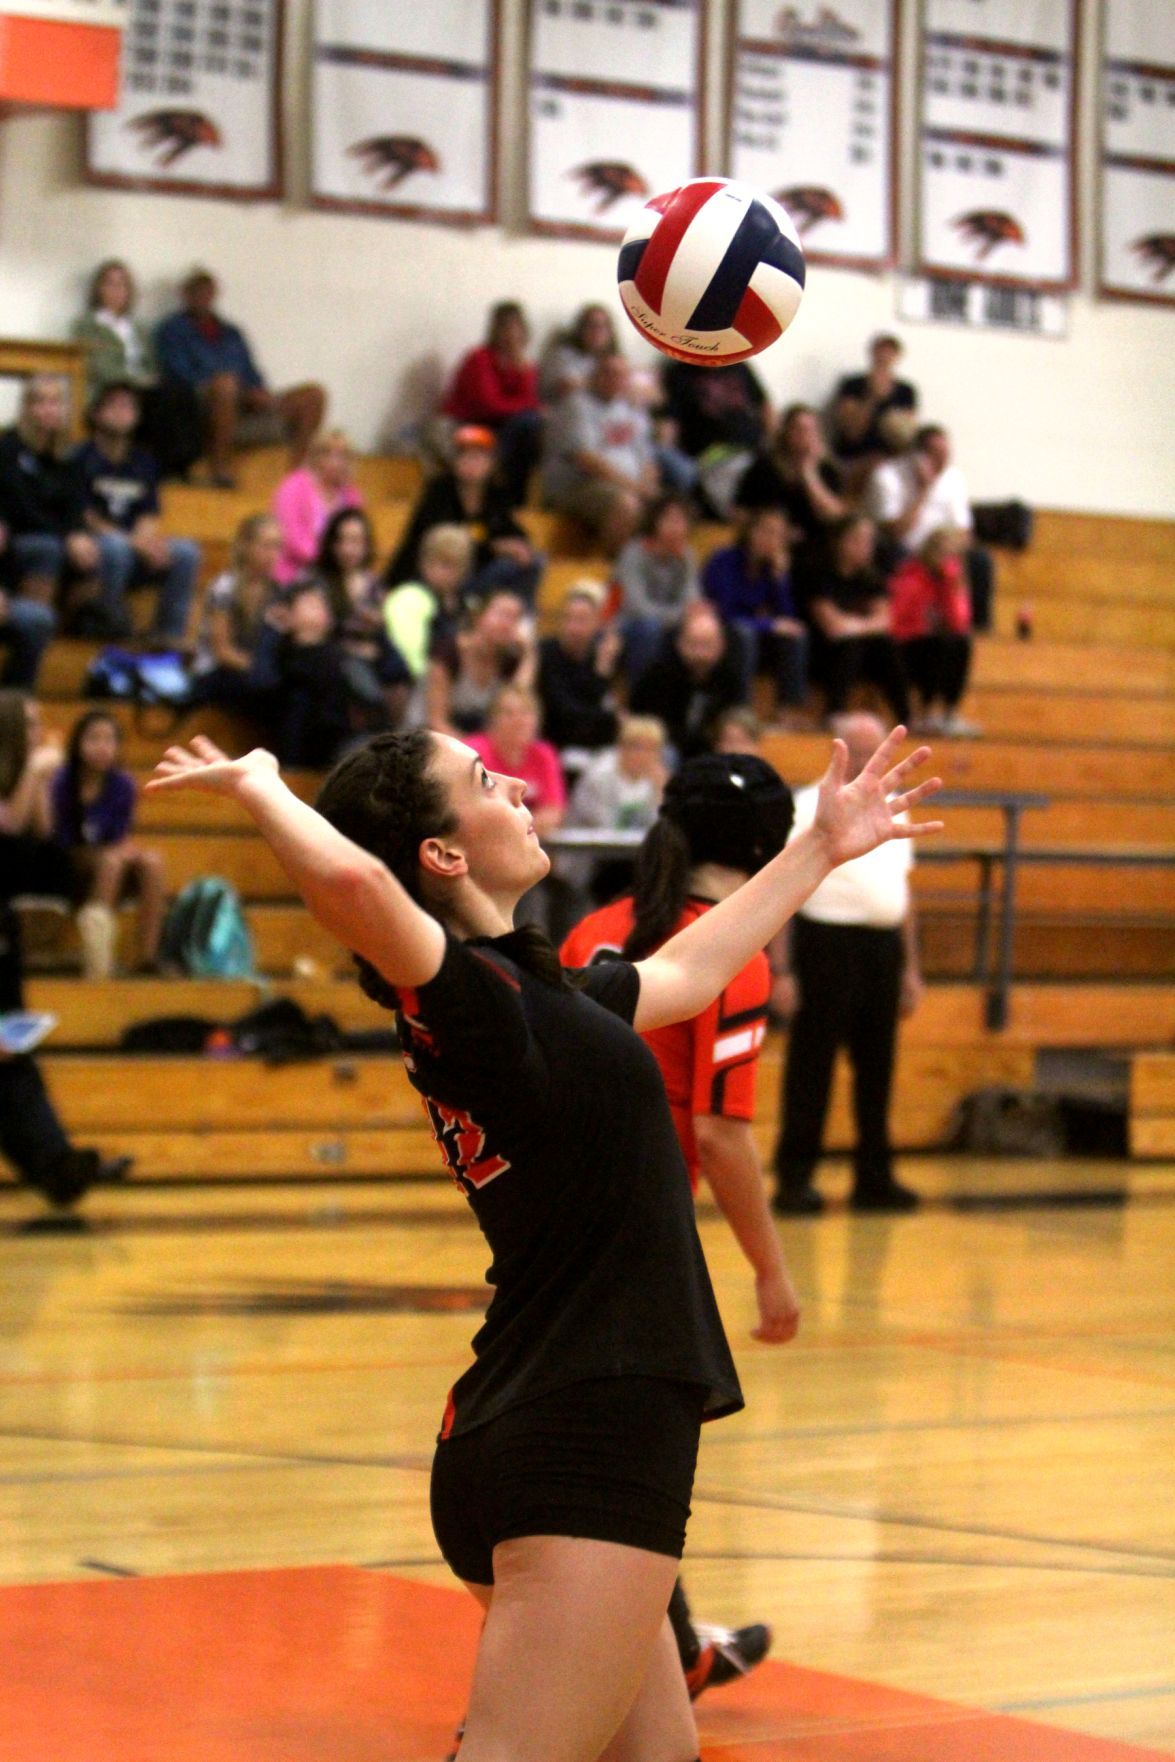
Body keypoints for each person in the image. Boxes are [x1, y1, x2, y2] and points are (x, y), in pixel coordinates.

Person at [143, 715, 940, 1762]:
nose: (518, 782)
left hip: (534, 1418)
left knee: (659, 1756)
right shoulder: (471, 1004)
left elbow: (687, 973)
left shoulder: (539, 993)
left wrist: (819, 847)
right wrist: (262, 787)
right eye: (481, 776)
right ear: (441, 854)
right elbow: (357, 894)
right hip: (586, 1430)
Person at [560, 752, 803, 1701]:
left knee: (602, 1440)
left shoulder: (593, 928)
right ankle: (616, 1670)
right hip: (636, 1233)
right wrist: (770, 1271)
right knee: (632, 1464)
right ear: (766, 848)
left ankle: (675, 1648)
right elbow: (719, 1131)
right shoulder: (729, 952)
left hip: (556, 1217)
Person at [772, 713, 926, 1216]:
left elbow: (903, 894)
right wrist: (783, 969)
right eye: (856, 748)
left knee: (878, 1067)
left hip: (883, 949)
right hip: (824, 945)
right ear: (837, 749)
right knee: (811, 1066)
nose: (865, 757)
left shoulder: (890, 806)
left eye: (871, 747)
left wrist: (911, 968)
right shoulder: (806, 806)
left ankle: (874, 1177)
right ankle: (795, 1179)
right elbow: (784, 890)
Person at [155, 269, 325, 488]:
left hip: (245, 404)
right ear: (185, 295)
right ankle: (220, 470)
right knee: (225, 385)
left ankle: (295, 477)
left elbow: (251, 371)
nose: (204, 297)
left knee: (313, 395)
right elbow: (179, 375)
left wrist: (259, 392)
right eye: (197, 291)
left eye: (209, 292)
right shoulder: (171, 330)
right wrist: (236, 390)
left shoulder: (231, 332)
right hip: (202, 405)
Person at [75, 381, 201, 642]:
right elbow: (84, 514)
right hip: (96, 546)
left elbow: (149, 512)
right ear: (96, 413)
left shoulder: (144, 462)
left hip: (132, 544)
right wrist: (134, 542)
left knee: (186, 552)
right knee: (114, 546)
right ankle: (105, 625)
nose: (122, 412)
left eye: (129, 406)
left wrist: (145, 541)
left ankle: (167, 636)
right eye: (114, 405)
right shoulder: (80, 457)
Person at [50, 710, 167, 978]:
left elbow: (119, 835)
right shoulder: (62, 781)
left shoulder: (123, 784)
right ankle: (97, 955)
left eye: (109, 740)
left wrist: (125, 852)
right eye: (94, 739)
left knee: (152, 861)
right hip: (66, 861)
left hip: (109, 854)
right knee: (112, 861)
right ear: (77, 743)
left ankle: (148, 958)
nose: (102, 747)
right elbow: (59, 837)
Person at [0, 375, 117, 636]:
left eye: (55, 402)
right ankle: (36, 629)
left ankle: (76, 630)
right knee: (48, 549)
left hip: (56, 534)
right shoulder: (8, 449)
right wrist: (66, 537)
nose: (48, 409)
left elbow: (76, 504)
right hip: (20, 536)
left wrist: (78, 534)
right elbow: (20, 509)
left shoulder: (69, 455)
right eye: (40, 402)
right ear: (26, 408)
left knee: (100, 550)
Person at [73, 258, 201, 479]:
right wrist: (137, 381)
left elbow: (151, 365)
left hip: (145, 387)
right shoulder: (87, 325)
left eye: (122, 285)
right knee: (158, 399)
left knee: (182, 392)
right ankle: (160, 470)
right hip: (111, 388)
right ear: (98, 289)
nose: (116, 291)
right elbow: (100, 367)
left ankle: (182, 465)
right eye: (110, 284)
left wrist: (149, 380)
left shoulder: (138, 329)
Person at [386, 425, 541, 604]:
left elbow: (509, 527)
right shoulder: (439, 491)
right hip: (433, 573)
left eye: (477, 457)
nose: (470, 463)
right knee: (503, 567)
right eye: (464, 456)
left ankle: (522, 618)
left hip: (473, 571)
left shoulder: (494, 495)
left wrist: (520, 544)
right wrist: (493, 546)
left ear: (491, 463)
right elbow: (445, 539)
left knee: (534, 560)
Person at [866, 423, 993, 629]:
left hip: (943, 549)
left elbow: (964, 530)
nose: (942, 461)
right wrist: (923, 490)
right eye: (936, 454)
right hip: (906, 548)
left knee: (979, 560)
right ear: (917, 455)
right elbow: (894, 532)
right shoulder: (887, 477)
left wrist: (945, 546)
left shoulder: (954, 478)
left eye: (946, 454)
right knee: (895, 555)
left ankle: (977, 628)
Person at [541, 353, 659, 556]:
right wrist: (636, 488)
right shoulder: (576, 405)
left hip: (629, 487)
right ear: (595, 376)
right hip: (579, 486)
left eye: (620, 375)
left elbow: (647, 459)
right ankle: (613, 572)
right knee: (627, 505)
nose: (613, 379)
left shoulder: (632, 409)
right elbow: (586, 460)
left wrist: (649, 487)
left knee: (672, 511)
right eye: (607, 373)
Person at [801, 515, 909, 726]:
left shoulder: (871, 577)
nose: (864, 547)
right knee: (853, 645)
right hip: (821, 652)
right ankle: (833, 711)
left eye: (868, 541)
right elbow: (831, 627)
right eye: (857, 539)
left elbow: (885, 621)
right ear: (839, 541)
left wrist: (853, 626)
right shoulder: (819, 574)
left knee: (885, 645)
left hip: (859, 646)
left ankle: (906, 717)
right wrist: (864, 626)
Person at [702, 505, 808, 715]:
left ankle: (788, 710)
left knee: (796, 635)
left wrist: (780, 579)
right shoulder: (724, 560)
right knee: (743, 634)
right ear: (750, 531)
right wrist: (768, 623)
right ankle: (742, 708)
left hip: (755, 632)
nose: (771, 539)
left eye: (778, 535)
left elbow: (787, 620)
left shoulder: (772, 568)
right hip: (720, 631)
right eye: (766, 530)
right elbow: (725, 612)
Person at [441, 302, 542, 505]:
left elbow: (533, 401)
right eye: (505, 327)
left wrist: (522, 372)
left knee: (532, 426)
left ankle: (516, 498)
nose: (511, 333)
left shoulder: (525, 365)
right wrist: (525, 406)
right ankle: (496, 477)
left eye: (516, 327)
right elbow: (488, 405)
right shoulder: (479, 359)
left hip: (506, 428)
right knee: (526, 421)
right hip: (471, 424)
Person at [189, 512, 286, 718]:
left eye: (277, 547)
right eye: (266, 546)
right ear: (246, 546)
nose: (272, 554)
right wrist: (262, 670)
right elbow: (222, 651)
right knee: (272, 689)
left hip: (253, 671)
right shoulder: (225, 587)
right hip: (215, 673)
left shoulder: (278, 591)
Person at [888, 527, 977, 736]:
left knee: (961, 643)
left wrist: (949, 587)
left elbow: (959, 623)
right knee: (938, 644)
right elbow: (900, 620)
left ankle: (949, 711)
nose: (944, 558)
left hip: (936, 644)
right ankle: (926, 711)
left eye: (950, 554)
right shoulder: (911, 576)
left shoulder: (952, 581)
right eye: (940, 551)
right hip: (908, 645)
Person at [733, 404, 846, 568]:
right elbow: (739, 512)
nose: (805, 436)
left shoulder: (826, 470)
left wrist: (809, 473)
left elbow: (835, 517)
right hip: (768, 545)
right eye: (799, 429)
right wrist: (777, 534)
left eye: (810, 430)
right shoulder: (764, 467)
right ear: (786, 432)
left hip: (815, 550)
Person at [630, 601, 746, 760]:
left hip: (710, 753)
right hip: (665, 751)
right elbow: (647, 722)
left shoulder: (730, 679)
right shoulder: (658, 675)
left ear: (721, 646)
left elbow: (732, 722)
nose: (700, 654)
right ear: (680, 644)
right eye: (694, 644)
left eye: (706, 645)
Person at [613, 494, 701, 684]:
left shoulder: (687, 556)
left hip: (665, 624)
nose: (676, 526)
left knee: (700, 630)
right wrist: (678, 616)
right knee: (649, 628)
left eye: (681, 520)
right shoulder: (634, 553)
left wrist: (684, 617)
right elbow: (636, 607)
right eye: (670, 519)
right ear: (655, 521)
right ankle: (639, 696)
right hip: (625, 624)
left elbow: (692, 601)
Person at [425, 589, 536, 737]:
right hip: (430, 738)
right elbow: (436, 721)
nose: (507, 624)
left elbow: (519, 702)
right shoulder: (448, 652)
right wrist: (475, 753)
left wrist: (528, 654)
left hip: (477, 745)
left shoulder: (510, 660)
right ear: (478, 617)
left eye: (515, 619)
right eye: (502, 615)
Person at [469, 684, 566, 839]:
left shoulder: (544, 755)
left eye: (526, 713)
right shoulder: (474, 753)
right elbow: (475, 810)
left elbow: (553, 812)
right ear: (492, 720)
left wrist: (516, 830)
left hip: (529, 841)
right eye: (509, 714)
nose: (519, 721)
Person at [536, 580, 621, 755]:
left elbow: (615, 720)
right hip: (554, 745)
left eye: (581, 620)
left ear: (598, 622)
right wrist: (601, 675)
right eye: (568, 618)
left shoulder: (602, 656)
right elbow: (563, 716)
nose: (573, 627)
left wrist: (602, 670)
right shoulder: (545, 653)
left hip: (594, 747)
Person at [385, 524, 475, 686]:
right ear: (424, 563)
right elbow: (411, 660)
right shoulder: (409, 597)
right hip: (419, 686)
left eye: (457, 565)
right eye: (443, 564)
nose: (449, 572)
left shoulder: (468, 602)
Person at [271, 429, 363, 586]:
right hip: (293, 572)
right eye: (328, 454)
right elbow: (291, 537)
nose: (336, 462)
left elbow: (357, 535)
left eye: (342, 456)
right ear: (315, 456)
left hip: (335, 573)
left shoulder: (352, 495)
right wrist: (329, 559)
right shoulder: (294, 487)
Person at [829, 334, 918, 490]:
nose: (884, 357)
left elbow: (906, 435)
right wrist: (872, 398)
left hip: (890, 459)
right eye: (881, 351)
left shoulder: (906, 391)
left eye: (890, 352)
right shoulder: (853, 386)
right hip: (854, 457)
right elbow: (851, 432)